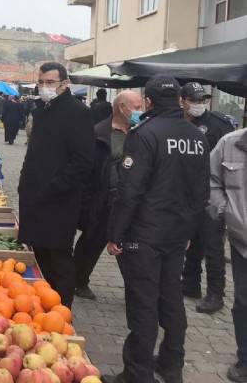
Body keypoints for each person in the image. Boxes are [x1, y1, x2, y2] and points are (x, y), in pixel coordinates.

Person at [104, 76, 210, 383]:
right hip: (178, 233)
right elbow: (201, 190)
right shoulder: (196, 135)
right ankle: (171, 363)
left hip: (145, 235)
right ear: (179, 101)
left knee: (143, 302)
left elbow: (130, 190)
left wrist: (116, 235)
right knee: (171, 298)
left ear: (148, 102)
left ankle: (137, 373)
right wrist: (190, 232)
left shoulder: (144, 134)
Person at [18, 62, 94, 308]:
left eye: (50, 82)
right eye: (40, 82)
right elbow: (35, 152)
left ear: (65, 84)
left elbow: (83, 161)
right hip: (34, 197)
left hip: (59, 200)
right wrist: (24, 182)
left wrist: (54, 187)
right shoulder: (42, 109)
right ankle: (43, 305)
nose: (44, 87)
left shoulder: (77, 112)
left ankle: (61, 311)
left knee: (58, 257)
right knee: (39, 254)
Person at [73, 90, 143, 300]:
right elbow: (87, 168)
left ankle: (136, 288)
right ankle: (79, 280)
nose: (140, 112)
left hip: (132, 199)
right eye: (136, 107)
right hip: (104, 199)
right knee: (92, 241)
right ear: (121, 107)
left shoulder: (141, 132)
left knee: (132, 246)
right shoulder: (99, 133)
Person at [179, 82, 234, 313]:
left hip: (210, 195)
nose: (199, 105)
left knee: (212, 246)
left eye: (203, 100)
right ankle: (190, 284)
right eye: (194, 100)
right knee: (191, 243)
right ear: (182, 101)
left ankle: (215, 294)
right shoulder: (177, 124)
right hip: (184, 195)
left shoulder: (218, 125)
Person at [207, 128, 247, 383]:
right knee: (243, 302)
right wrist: (225, 212)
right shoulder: (229, 143)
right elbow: (211, 180)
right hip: (242, 241)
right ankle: (245, 359)